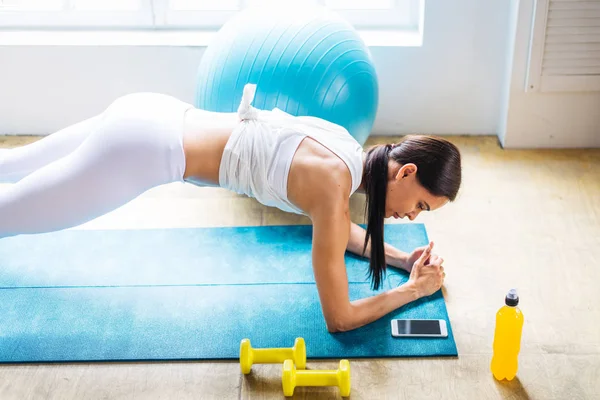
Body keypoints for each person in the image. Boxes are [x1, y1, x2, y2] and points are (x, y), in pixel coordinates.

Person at [0, 83, 461, 332]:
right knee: (11, 213)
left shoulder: (343, 150)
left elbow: (337, 227)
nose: (412, 217)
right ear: (405, 173)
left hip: (152, 113)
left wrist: (403, 259)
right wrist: (413, 292)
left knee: (13, 166)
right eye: (421, 203)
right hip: (143, 150)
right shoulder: (332, 186)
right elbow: (339, 318)